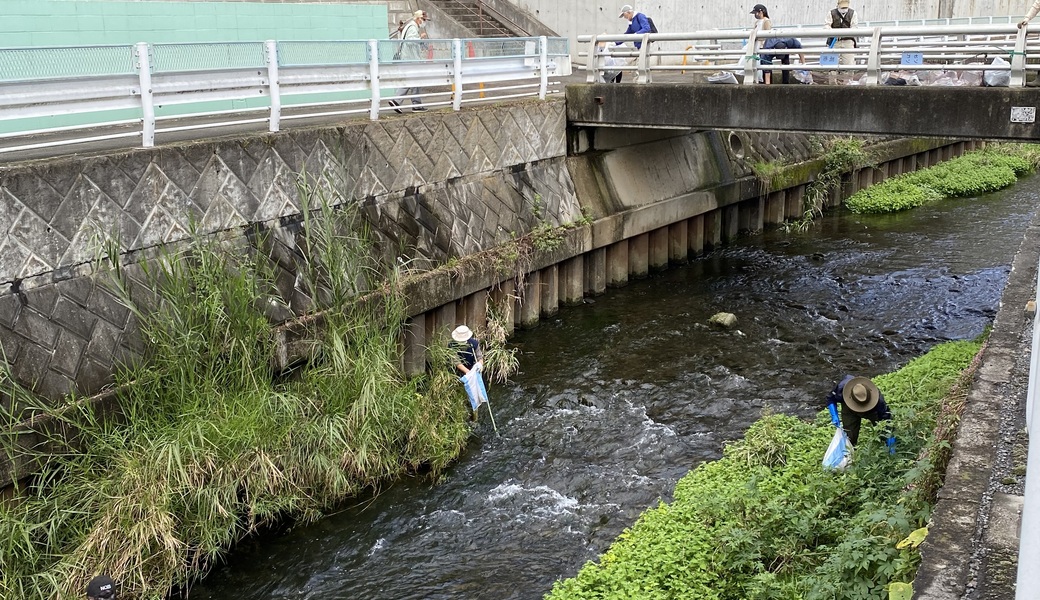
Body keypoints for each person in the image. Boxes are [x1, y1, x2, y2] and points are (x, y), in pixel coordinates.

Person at [825, 375, 895, 454]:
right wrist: (834, 415)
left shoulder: (878, 401)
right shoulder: (842, 388)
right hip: (849, 409)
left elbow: (886, 420)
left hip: (871, 411)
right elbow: (830, 398)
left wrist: (890, 439)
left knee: (882, 430)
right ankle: (849, 454)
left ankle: (886, 446)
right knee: (849, 435)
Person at [388, 10, 431, 114]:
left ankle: (416, 104)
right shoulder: (412, 27)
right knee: (411, 80)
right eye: (424, 19)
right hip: (410, 59)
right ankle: (397, 100)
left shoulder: (410, 26)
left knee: (414, 81)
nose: (425, 22)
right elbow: (410, 41)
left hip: (408, 58)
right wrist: (420, 37)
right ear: (418, 18)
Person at [824, 0, 858, 85]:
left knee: (849, 64)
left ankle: (848, 83)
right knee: (832, 65)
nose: (844, 9)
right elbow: (826, 25)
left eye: (846, 7)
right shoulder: (831, 13)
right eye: (842, 7)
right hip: (834, 41)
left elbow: (855, 27)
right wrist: (832, 32)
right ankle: (832, 83)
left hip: (848, 41)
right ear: (838, 5)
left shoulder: (853, 13)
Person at [749, 5, 772, 83]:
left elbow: (768, 34)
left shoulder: (766, 21)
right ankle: (757, 79)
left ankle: (765, 81)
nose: (755, 15)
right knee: (755, 62)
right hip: (756, 44)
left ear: (761, 12)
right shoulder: (757, 22)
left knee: (764, 63)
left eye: (756, 13)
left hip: (763, 44)